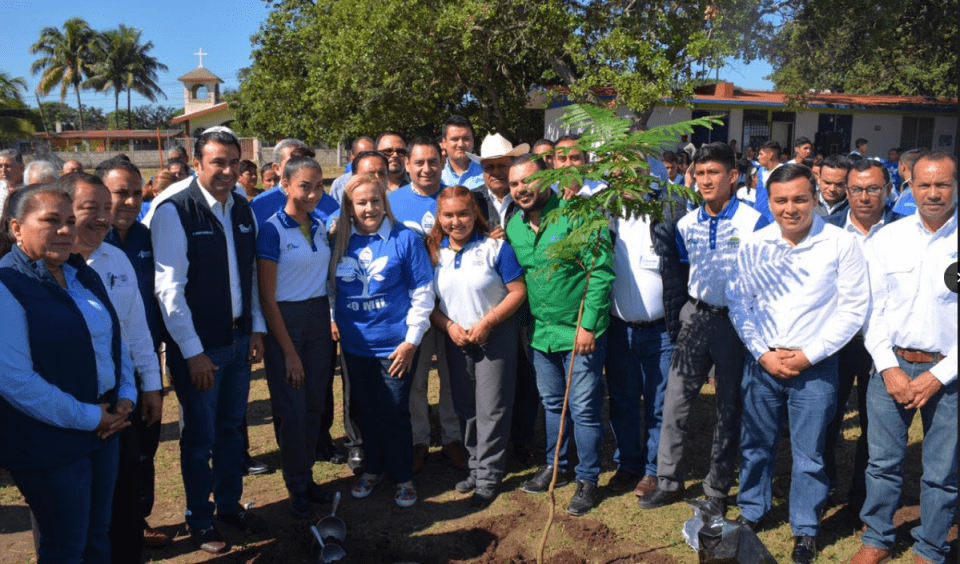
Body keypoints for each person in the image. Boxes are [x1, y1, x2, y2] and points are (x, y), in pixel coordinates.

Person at [729, 164, 868, 564]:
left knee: (810, 453)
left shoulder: (840, 244)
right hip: (764, 363)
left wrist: (810, 354)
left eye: (799, 199)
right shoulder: (755, 245)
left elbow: (853, 309)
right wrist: (762, 353)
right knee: (756, 444)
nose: (791, 208)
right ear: (769, 201)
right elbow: (741, 303)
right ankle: (753, 510)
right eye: (781, 200)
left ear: (814, 198)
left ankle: (805, 527)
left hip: (816, 367)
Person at [0, 183, 137, 563]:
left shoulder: (80, 273)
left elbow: (113, 336)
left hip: (104, 429)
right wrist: (92, 418)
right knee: (66, 547)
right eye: (51, 221)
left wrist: (126, 394)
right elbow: (15, 381)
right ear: (15, 228)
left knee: (97, 536)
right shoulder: (7, 286)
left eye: (70, 221)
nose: (65, 230)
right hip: (50, 444)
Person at [151, 128, 268, 554]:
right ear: (197, 164)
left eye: (233, 162)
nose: (226, 171)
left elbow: (250, 273)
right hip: (200, 350)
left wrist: (255, 328)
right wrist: (193, 352)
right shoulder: (174, 211)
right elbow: (169, 291)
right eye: (217, 162)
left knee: (231, 432)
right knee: (199, 439)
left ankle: (229, 506)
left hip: (237, 341)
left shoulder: (241, 206)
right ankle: (200, 520)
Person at [638, 143, 769, 513]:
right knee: (675, 401)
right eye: (700, 174)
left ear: (733, 176)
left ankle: (716, 489)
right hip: (694, 315)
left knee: (728, 406)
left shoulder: (754, 221)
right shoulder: (686, 222)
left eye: (714, 173)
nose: (706, 180)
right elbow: (679, 272)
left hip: (735, 323)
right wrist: (678, 317)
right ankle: (668, 480)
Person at [851, 152, 957, 564]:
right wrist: (889, 366)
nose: (933, 193)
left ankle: (931, 547)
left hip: (949, 374)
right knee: (882, 463)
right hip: (890, 368)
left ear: (955, 186)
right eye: (924, 185)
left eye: (943, 184)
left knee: (942, 471)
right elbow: (870, 312)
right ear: (909, 187)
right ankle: (877, 538)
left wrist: (939, 375)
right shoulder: (887, 240)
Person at [60, 171, 164, 564]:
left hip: (121, 401)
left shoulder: (116, 257)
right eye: (91, 208)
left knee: (123, 503)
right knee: (71, 521)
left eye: (107, 207)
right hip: (68, 409)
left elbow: (135, 330)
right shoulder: (47, 267)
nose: (105, 217)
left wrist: (149, 385)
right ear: (63, 209)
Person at [507, 155, 615, 516]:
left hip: (579, 332)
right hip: (541, 334)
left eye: (527, 181)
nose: (521, 190)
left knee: (584, 408)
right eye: (514, 184)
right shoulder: (515, 228)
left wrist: (588, 325)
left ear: (548, 179)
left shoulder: (577, 215)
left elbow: (600, 272)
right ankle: (557, 466)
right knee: (553, 404)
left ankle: (587, 479)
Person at [330, 173, 434, 508]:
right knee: (364, 412)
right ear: (350, 206)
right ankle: (372, 470)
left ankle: (402, 477)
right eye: (361, 203)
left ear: (384, 202)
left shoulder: (405, 238)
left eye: (375, 201)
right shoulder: (340, 241)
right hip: (355, 346)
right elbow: (332, 289)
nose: (370, 208)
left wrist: (411, 340)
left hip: (396, 347)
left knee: (394, 413)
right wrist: (334, 321)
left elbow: (423, 292)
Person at [426, 186, 527, 506]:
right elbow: (426, 303)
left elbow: (517, 291)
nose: (457, 221)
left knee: (491, 408)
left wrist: (489, 322)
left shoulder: (496, 248)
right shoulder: (433, 254)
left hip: (494, 337)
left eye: (463, 214)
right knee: (465, 407)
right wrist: (449, 326)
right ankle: (474, 464)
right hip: (456, 339)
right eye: (449, 215)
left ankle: (489, 475)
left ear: (475, 215)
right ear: (439, 218)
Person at [821, 158, 905, 516]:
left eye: (874, 189)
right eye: (857, 189)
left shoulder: (907, 231)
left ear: (888, 190)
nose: (865, 197)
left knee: (876, 428)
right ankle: (823, 490)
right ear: (846, 190)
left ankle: (861, 499)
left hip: (885, 348)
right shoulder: (826, 230)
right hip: (837, 344)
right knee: (826, 420)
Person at [257, 156, 337, 518]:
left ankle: (307, 478)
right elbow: (267, 298)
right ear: (284, 185)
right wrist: (288, 351)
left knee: (315, 407)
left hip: (319, 320)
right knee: (291, 410)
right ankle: (295, 485)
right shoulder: (271, 230)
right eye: (304, 185)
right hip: (286, 324)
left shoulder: (321, 226)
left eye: (319, 186)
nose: (313, 193)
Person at [99, 158, 170, 548]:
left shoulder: (147, 237)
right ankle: (109, 529)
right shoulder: (87, 242)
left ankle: (138, 519)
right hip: (103, 372)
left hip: (146, 362)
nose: (127, 201)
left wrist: (154, 378)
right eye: (118, 193)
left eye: (134, 193)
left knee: (146, 448)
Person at [389, 137, 468, 473]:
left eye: (433, 161)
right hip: (413, 310)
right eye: (419, 162)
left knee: (453, 376)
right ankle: (419, 439)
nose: (426, 168)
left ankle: (452, 438)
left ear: (443, 161)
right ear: (407, 165)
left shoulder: (454, 198)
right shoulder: (392, 202)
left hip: (453, 307)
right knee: (416, 379)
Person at [604, 184, 688, 497]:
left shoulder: (670, 205)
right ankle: (627, 463)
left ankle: (654, 469)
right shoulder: (604, 209)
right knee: (623, 400)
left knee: (659, 403)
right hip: (619, 328)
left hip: (662, 329)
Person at [440, 115, 484, 190]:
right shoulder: (436, 175)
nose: (460, 144)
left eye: (466, 139)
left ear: (473, 141)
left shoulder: (486, 172)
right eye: (454, 139)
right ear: (444, 143)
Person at [330, 136, 375, 203]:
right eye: (362, 155)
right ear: (352, 157)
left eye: (372, 155)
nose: (367, 159)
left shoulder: (383, 181)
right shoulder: (339, 185)